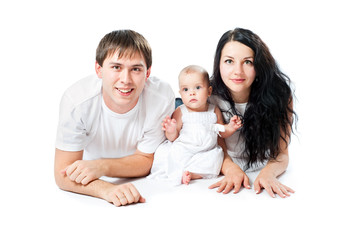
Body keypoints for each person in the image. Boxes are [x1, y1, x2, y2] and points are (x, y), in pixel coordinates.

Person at [54, 29, 175, 206]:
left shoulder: (161, 97)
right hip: (89, 172)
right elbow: (62, 173)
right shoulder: (76, 101)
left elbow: (146, 160)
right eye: (116, 67)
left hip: (142, 169)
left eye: (135, 69)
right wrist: (106, 189)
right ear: (99, 69)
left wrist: (102, 166)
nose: (125, 79)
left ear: (147, 73)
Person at [208, 28, 297, 198]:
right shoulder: (209, 96)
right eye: (229, 61)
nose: (238, 71)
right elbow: (214, 149)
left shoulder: (279, 95)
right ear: (218, 63)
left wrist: (268, 173)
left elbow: (282, 153)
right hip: (217, 166)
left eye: (247, 62)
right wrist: (231, 169)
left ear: (259, 65)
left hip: (261, 165)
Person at [148, 65, 242, 185]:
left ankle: (192, 174)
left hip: (206, 150)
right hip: (185, 148)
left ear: (209, 91)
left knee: (215, 158)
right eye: (186, 90)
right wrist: (171, 130)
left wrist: (231, 127)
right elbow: (173, 138)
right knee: (172, 155)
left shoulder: (213, 110)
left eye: (197, 87)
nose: (191, 93)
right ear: (180, 93)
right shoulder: (181, 111)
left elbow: (221, 132)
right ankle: (181, 171)